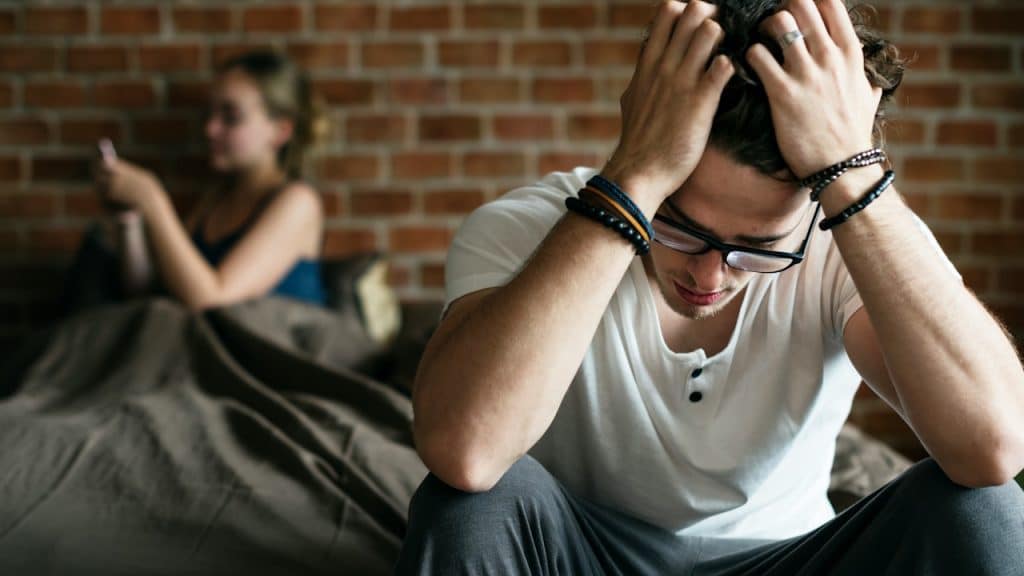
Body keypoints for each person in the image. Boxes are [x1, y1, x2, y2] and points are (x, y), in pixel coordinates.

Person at [396, 0, 1024, 574]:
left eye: (759, 246)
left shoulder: (844, 234)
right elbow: (465, 453)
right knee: (470, 507)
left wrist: (852, 174)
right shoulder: (529, 229)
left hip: (790, 560)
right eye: (679, 226)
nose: (708, 274)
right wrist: (633, 182)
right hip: (583, 556)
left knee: (982, 510)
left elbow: (994, 448)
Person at [92, 49, 329, 310]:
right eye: (211, 114)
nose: (210, 129)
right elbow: (151, 292)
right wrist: (131, 220)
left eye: (231, 116)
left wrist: (154, 201)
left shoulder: (298, 202)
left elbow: (214, 301)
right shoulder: (216, 198)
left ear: (281, 131)